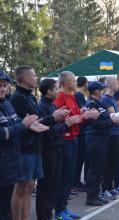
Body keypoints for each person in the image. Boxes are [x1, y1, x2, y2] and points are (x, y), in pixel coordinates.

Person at [10, 65, 68, 220]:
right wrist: (54, 118)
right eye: (33, 75)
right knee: (20, 187)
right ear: (24, 78)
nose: (36, 78)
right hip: (24, 148)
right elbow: (27, 124)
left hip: (36, 146)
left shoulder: (29, 97)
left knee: (29, 187)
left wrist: (52, 117)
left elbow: (38, 121)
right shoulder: (17, 98)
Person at [0, 71, 48, 220]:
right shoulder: (17, 98)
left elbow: (17, 124)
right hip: (13, 157)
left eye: (4, 85)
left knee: (26, 189)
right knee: (14, 195)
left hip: (13, 158)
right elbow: (4, 133)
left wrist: (29, 126)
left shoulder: (7, 103)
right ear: (24, 78)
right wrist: (24, 126)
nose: (3, 89)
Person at [53, 71, 99, 220]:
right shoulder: (59, 98)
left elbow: (78, 116)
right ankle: (59, 211)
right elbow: (61, 119)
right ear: (65, 83)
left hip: (74, 138)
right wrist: (83, 116)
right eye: (73, 80)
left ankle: (63, 208)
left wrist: (85, 113)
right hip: (64, 140)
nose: (76, 83)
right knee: (64, 175)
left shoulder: (72, 96)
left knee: (70, 175)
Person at [36, 79, 82, 220]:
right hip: (49, 149)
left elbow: (56, 124)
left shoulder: (51, 106)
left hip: (58, 146)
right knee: (47, 185)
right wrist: (67, 124)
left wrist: (67, 119)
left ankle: (60, 210)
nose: (58, 90)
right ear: (48, 91)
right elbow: (48, 130)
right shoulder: (42, 106)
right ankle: (46, 215)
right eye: (56, 88)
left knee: (58, 182)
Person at [84, 81, 119, 206]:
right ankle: (91, 196)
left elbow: (103, 119)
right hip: (95, 139)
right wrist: (111, 121)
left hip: (102, 139)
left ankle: (96, 194)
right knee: (94, 169)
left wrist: (110, 120)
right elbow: (96, 123)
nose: (102, 91)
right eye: (101, 89)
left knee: (99, 168)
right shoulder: (91, 104)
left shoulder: (97, 103)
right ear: (96, 91)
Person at [73, 76, 88, 191]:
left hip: (81, 130)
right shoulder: (78, 95)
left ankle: (76, 181)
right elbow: (82, 110)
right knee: (78, 159)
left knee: (80, 159)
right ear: (85, 83)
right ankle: (75, 182)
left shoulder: (79, 95)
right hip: (80, 131)